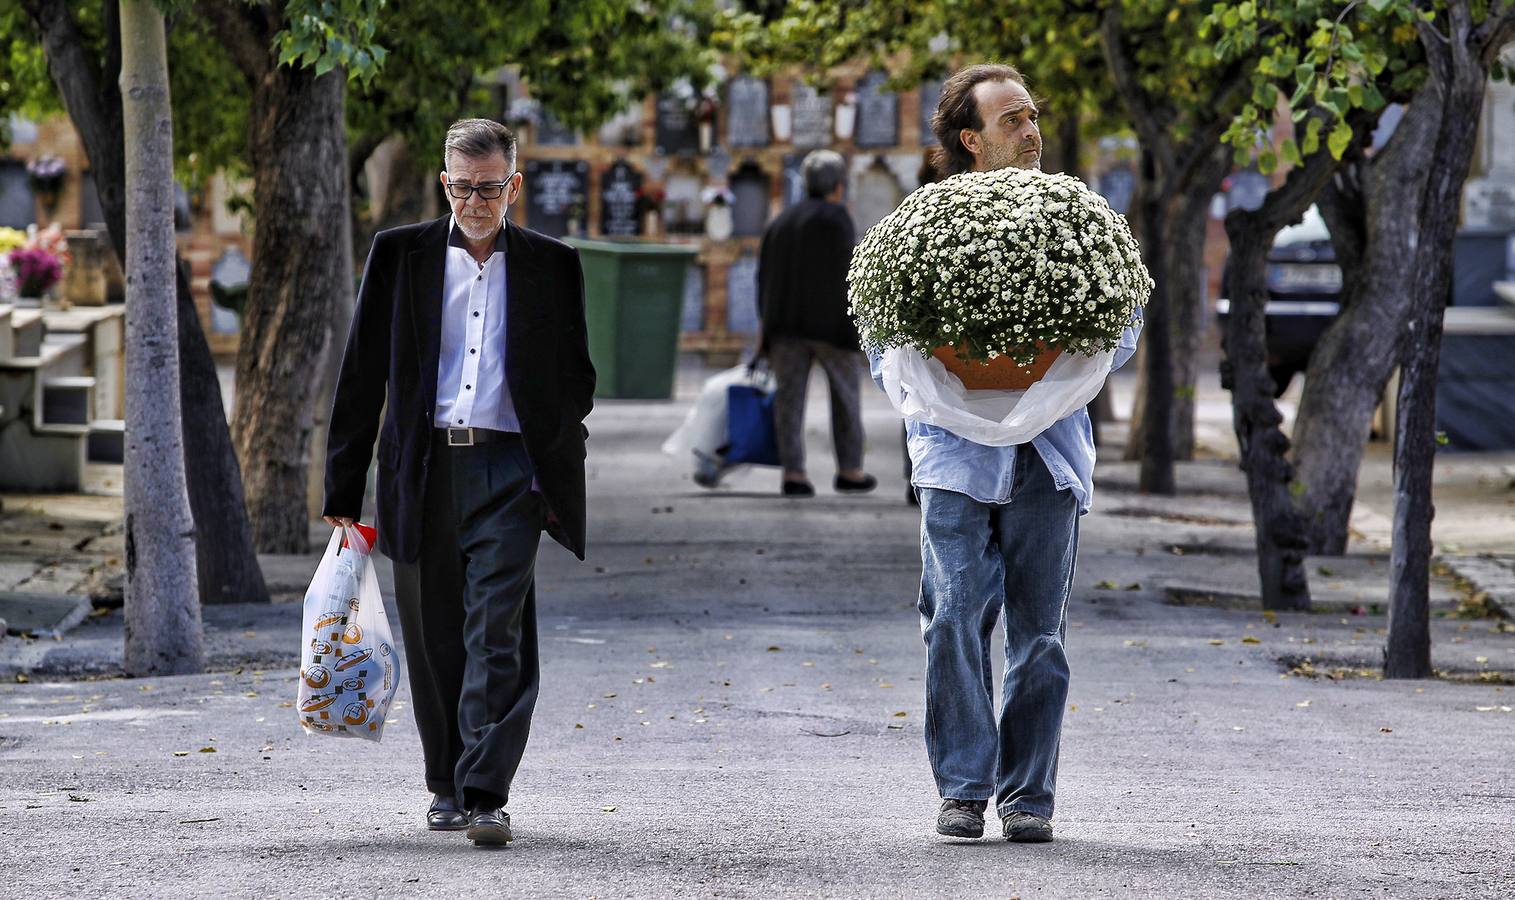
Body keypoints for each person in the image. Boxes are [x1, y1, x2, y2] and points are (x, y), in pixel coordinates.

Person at [875, 64, 1142, 844]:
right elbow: (883, 343)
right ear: (970, 139)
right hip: (953, 457)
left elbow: (1117, 335)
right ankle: (963, 787)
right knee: (952, 616)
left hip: (1050, 455)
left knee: (1040, 635)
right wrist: (956, 381)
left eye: (1032, 117)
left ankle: (1028, 798)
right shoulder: (922, 223)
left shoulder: (1075, 220)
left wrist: (1044, 370)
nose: (1030, 132)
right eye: (1012, 121)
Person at [322, 118, 595, 848]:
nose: (475, 202)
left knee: (496, 632)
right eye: (461, 188)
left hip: (511, 470)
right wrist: (342, 492)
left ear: (513, 185)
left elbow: (576, 379)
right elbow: (360, 375)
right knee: (434, 635)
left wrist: (554, 464)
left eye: (489, 189)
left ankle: (485, 792)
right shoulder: (399, 255)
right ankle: (443, 779)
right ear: (444, 183)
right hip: (423, 467)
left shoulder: (552, 263)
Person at [756, 149, 877, 498]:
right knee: (845, 399)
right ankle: (850, 470)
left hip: (784, 327)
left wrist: (765, 326)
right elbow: (847, 272)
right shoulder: (836, 218)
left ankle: (793, 473)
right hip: (831, 327)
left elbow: (763, 277)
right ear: (839, 186)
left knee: (789, 403)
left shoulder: (780, 220)